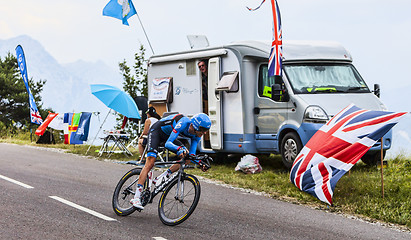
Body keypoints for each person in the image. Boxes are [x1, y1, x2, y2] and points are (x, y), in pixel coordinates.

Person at [130, 113, 212, 210]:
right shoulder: (184, 122)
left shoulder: (197, 135)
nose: (205, 133)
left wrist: (200, 163)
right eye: (203, 130)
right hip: (157, 131)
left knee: (187, 158)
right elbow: (168, 144)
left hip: (168, 136)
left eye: (206, 130)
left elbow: (192, 155)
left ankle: (163, 176)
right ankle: (136, 197)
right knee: (150, 162)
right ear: (195, 125)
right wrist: (179, 149)